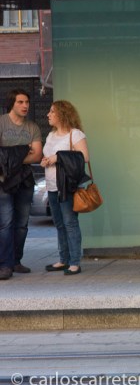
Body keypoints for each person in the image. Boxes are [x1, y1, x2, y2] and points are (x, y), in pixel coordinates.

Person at [40, 100, 88, 276]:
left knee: (70, 223)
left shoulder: (75, 134)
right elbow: (48, 156)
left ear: (62, 114)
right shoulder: (51, 136)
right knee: (59, 224)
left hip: (66, 185)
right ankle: (63, 259)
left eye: (52, 112)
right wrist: (45, 161)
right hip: (51, 185)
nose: (48, 115)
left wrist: (57, 158)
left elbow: (84, 157)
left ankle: (75, 262)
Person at [0, 89, 43, 279]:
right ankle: (5, 264)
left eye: (27, 102)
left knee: (22, 224)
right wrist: (22, 153)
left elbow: (37, 154)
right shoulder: (1, 123)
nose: (25, 106)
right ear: (12, 103)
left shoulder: (32, 127)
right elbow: (29, 153)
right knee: (6, 222)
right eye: (21, 102)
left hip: (25, 179)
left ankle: (16, 260)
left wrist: (9, 157)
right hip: (3, 179)